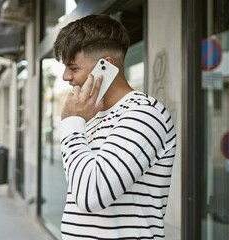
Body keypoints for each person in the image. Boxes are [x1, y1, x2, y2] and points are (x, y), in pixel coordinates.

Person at [54, 14, 177, 239]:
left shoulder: (144, 114)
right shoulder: (90, 117)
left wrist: (71, 123)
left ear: (106, 66)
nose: (65, 76)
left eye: (73, 67)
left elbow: (91, 194)